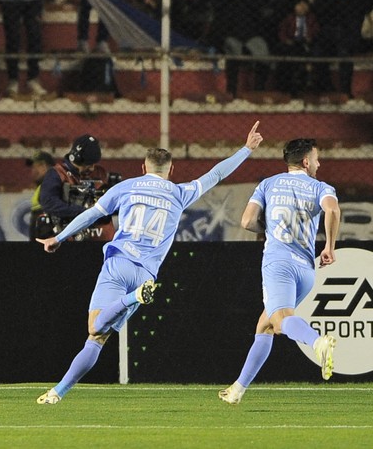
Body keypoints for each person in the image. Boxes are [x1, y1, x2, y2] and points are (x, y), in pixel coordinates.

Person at [36, 121, 264, 405]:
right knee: (99, 336)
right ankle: (57, 392)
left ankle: (61, 389)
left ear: (143, 168)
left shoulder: (127, 187)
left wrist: (59, 237)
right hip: (145, 274)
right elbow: (216, 174)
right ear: (171, 170)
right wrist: (246, 149)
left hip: (118, 263)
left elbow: (91, 215)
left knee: (94, 332)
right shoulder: (180, 193)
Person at [218, 138, 339, 404]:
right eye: (317, 159)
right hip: (306, 271)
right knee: (266, 324)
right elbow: (332, 210)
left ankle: (317, 341)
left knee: (281, 320)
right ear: (306, 162)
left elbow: (247, 221)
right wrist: (329, 246)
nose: (319, 163)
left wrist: (271, 228)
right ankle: (237, 390)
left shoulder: (268, 184)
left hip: (279, 264)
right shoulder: (321, 187)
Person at [31, 134, 115, 242]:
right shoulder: (57, 174)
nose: (92, 168)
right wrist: (85, 213)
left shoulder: (100, 173)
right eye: (88, 164)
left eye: (93, 164)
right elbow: (48, 202)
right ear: (77, 159)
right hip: (66, 233)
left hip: (99, 235)